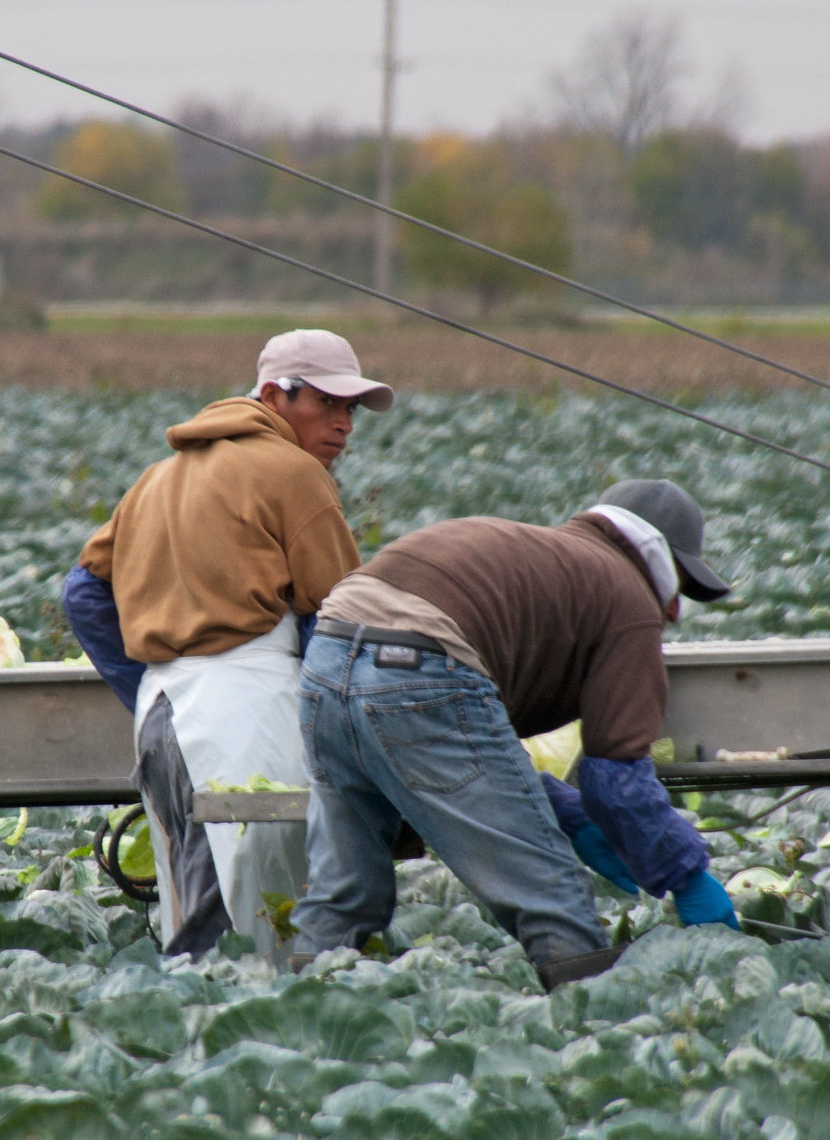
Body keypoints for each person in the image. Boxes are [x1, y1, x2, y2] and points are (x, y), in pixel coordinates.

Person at [290, 479, 739, 989]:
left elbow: (467, 754)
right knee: (553, 897)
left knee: (343, 894)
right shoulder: (628, 596)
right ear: (667, 566)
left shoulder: (547, 556)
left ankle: (303, 1001)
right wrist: (685, 875)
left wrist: (567, 814)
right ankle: (587, 1022)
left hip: (326, 659)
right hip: (419, 666)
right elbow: (618, 784)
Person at [61, 329, 394, 957]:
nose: (344, 423)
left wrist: (150, 684)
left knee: (193, 904)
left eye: (350, 408)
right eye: (327, 403)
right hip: (245, 716)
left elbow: (82, 592)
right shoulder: (294, 473)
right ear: (273, 394)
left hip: (162, 719)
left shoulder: (157, 479)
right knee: (247, 926)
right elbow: (340, 616)